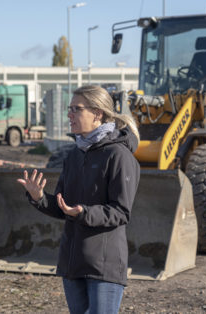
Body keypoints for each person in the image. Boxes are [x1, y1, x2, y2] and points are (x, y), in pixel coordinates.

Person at [17, 85, 140, 314]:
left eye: (77, 109)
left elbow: (121, 212)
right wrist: (40, 197)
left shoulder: (118, 156)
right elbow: (64, 207)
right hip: (72, 264)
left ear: (98, 113)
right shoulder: (74, 155)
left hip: (104, 265)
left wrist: (83, 212)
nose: (69, 114)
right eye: (69, 108)